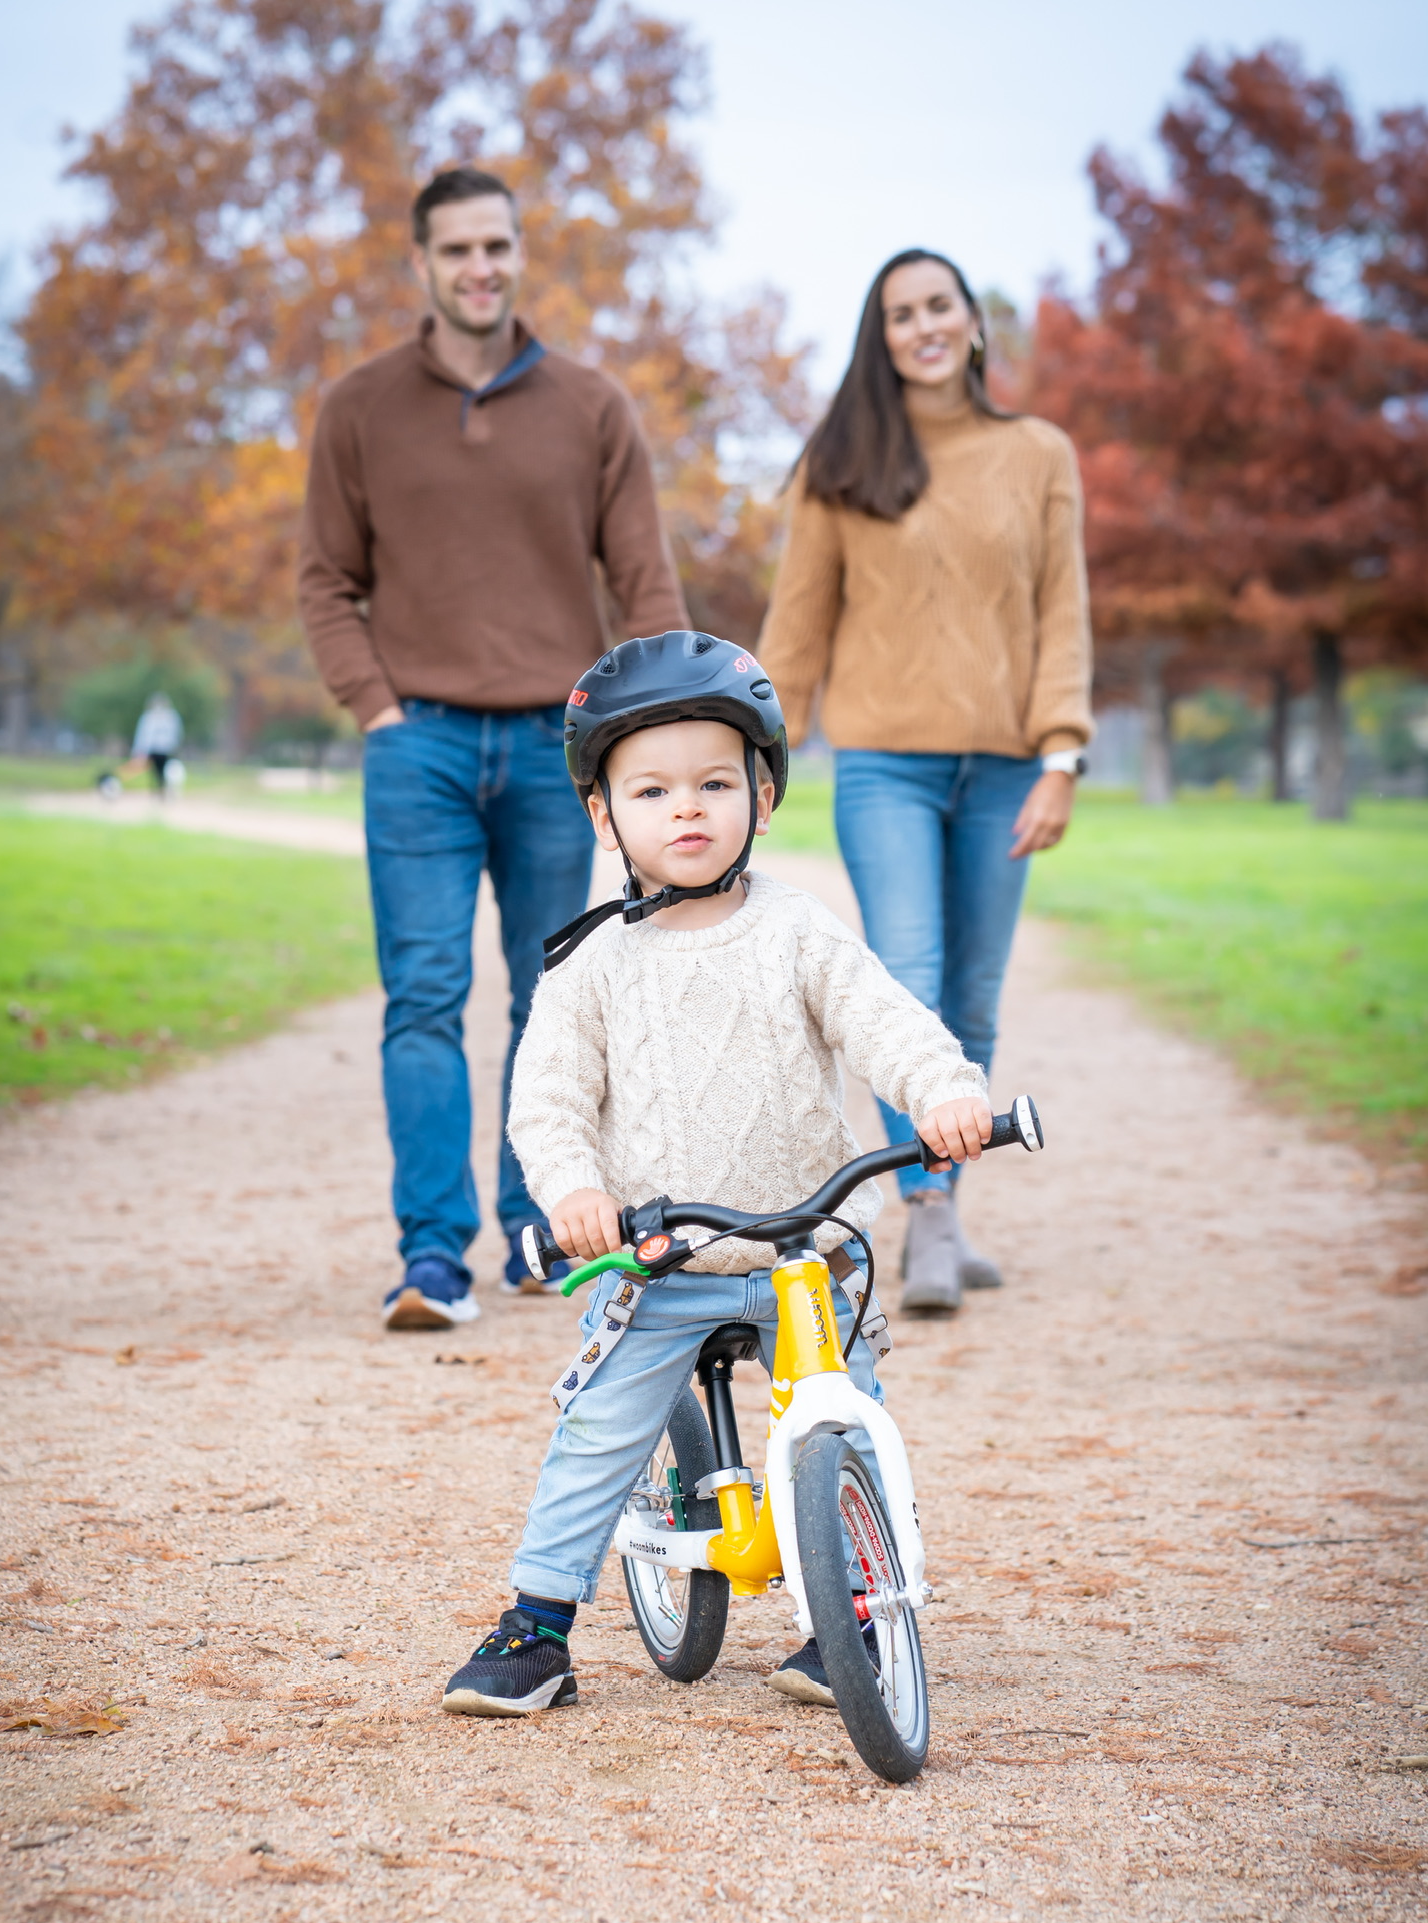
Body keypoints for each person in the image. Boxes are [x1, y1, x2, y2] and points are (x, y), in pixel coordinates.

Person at [440, 631, 989, 1718]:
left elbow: (888, 1022)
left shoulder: (798, 931)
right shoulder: (590, 963)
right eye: (651, 788)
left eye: (714, 782)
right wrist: (573, 1192)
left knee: (846, 1421)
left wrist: (942, 1092)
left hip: (803, 1252)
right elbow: (545, 1103)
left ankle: (860, 1617)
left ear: (763, 796)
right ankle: (537, 1621)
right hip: (664, 1257)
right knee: (599, 1428)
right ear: (605, 816)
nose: (685, 808)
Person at [298, 165, 687, 1332]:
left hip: (548, 746)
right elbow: (325, 580)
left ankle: (533, 1231)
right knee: (423, 995)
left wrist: (654, 729)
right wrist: (375, 707)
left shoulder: (591, 405)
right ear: (419, 263)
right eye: (457, 248)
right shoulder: (360, 407)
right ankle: (430, 1257)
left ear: (521, 255)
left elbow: (644, 582)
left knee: (548, 998)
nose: (480, 266)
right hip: (412, 742)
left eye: (498, 246)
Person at [758, 248, 1093, 1315]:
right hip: (885, 765)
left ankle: (943, 1199)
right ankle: (931, 1210)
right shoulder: (843, 463)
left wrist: (1062, 755)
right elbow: (797, 624)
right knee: (907, 977)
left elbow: (1063, 616)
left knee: (975, 998)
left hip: (1002, 767)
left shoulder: (1039, 454)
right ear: (882, 337)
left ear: (973, 324)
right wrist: (754, 756)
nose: (923, 327)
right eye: (900, 314)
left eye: (938, 306)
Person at [130, 693, 184, 794]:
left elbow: (175, 733)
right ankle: (157, 789)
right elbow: (143, 735)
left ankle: (163, 788)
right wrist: (140, 750)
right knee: (155, 771)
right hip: (153, 749)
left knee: (166, 771)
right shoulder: (148, 718)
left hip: (166, 749)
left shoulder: (171, 717)